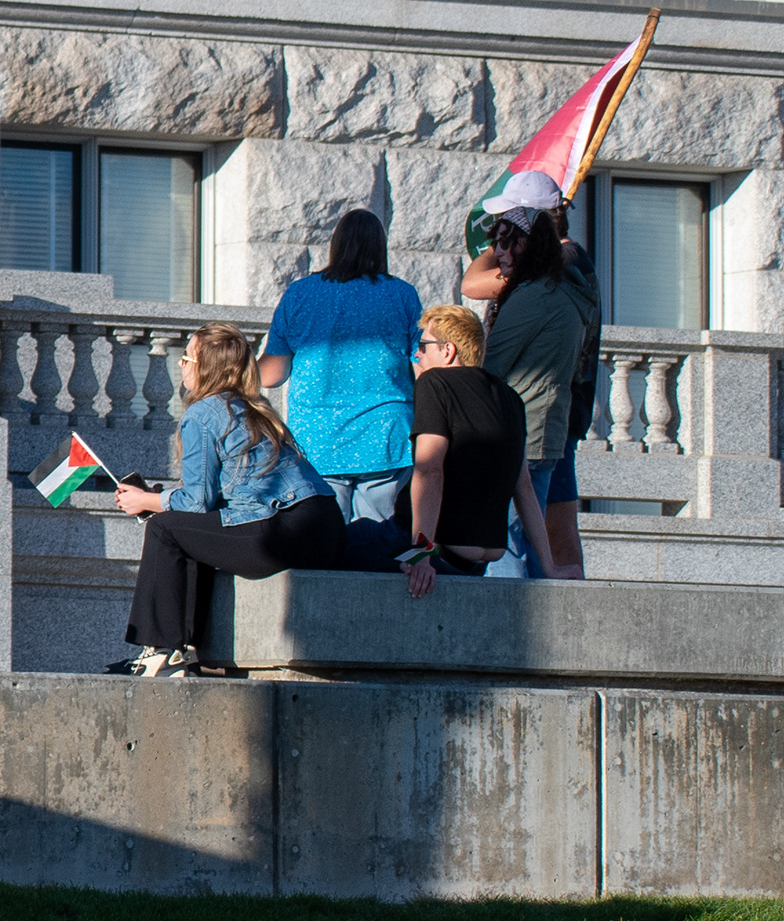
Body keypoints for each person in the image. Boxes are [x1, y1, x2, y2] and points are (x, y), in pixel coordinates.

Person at [108, 325, 346, 676]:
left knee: (164, 528)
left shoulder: (204, 413)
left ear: (206, 368)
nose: (181, 365)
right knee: (193, 531)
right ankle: (185, 649)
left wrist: (146, 500)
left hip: (280, 530)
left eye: (187, 357)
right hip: (325, 528)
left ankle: (161, 649)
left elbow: (195, 502)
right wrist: (160, 498)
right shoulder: (256, 409)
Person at [254, 207, 424, 527]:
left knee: (326, 542)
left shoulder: (300, 294)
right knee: (376, 542)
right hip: (385, 436)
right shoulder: (402, 294)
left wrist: (230, 366)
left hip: (317, 440)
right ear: (379, 247)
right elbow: (424, 363)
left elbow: (272, 374)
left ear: (336, 245)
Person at [468, 173, 597, 580]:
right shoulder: (567, 281)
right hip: (554, 421)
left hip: (528, 424)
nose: (497, 250)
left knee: (511, 538)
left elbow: (472, 284)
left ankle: (516, 628)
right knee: (543, 537)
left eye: (507, 229)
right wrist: (507, 236)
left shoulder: (553, 274)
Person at [392, 304, 555, 598]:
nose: (417, 355)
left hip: (433, 553)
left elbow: (430, 470)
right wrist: (550, 568)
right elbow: (525, 488)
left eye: (423, 346)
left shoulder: (435, 382)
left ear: (448, 351)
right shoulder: (510, 398)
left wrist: (420, 557)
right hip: (477, 562)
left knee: (334, 544)